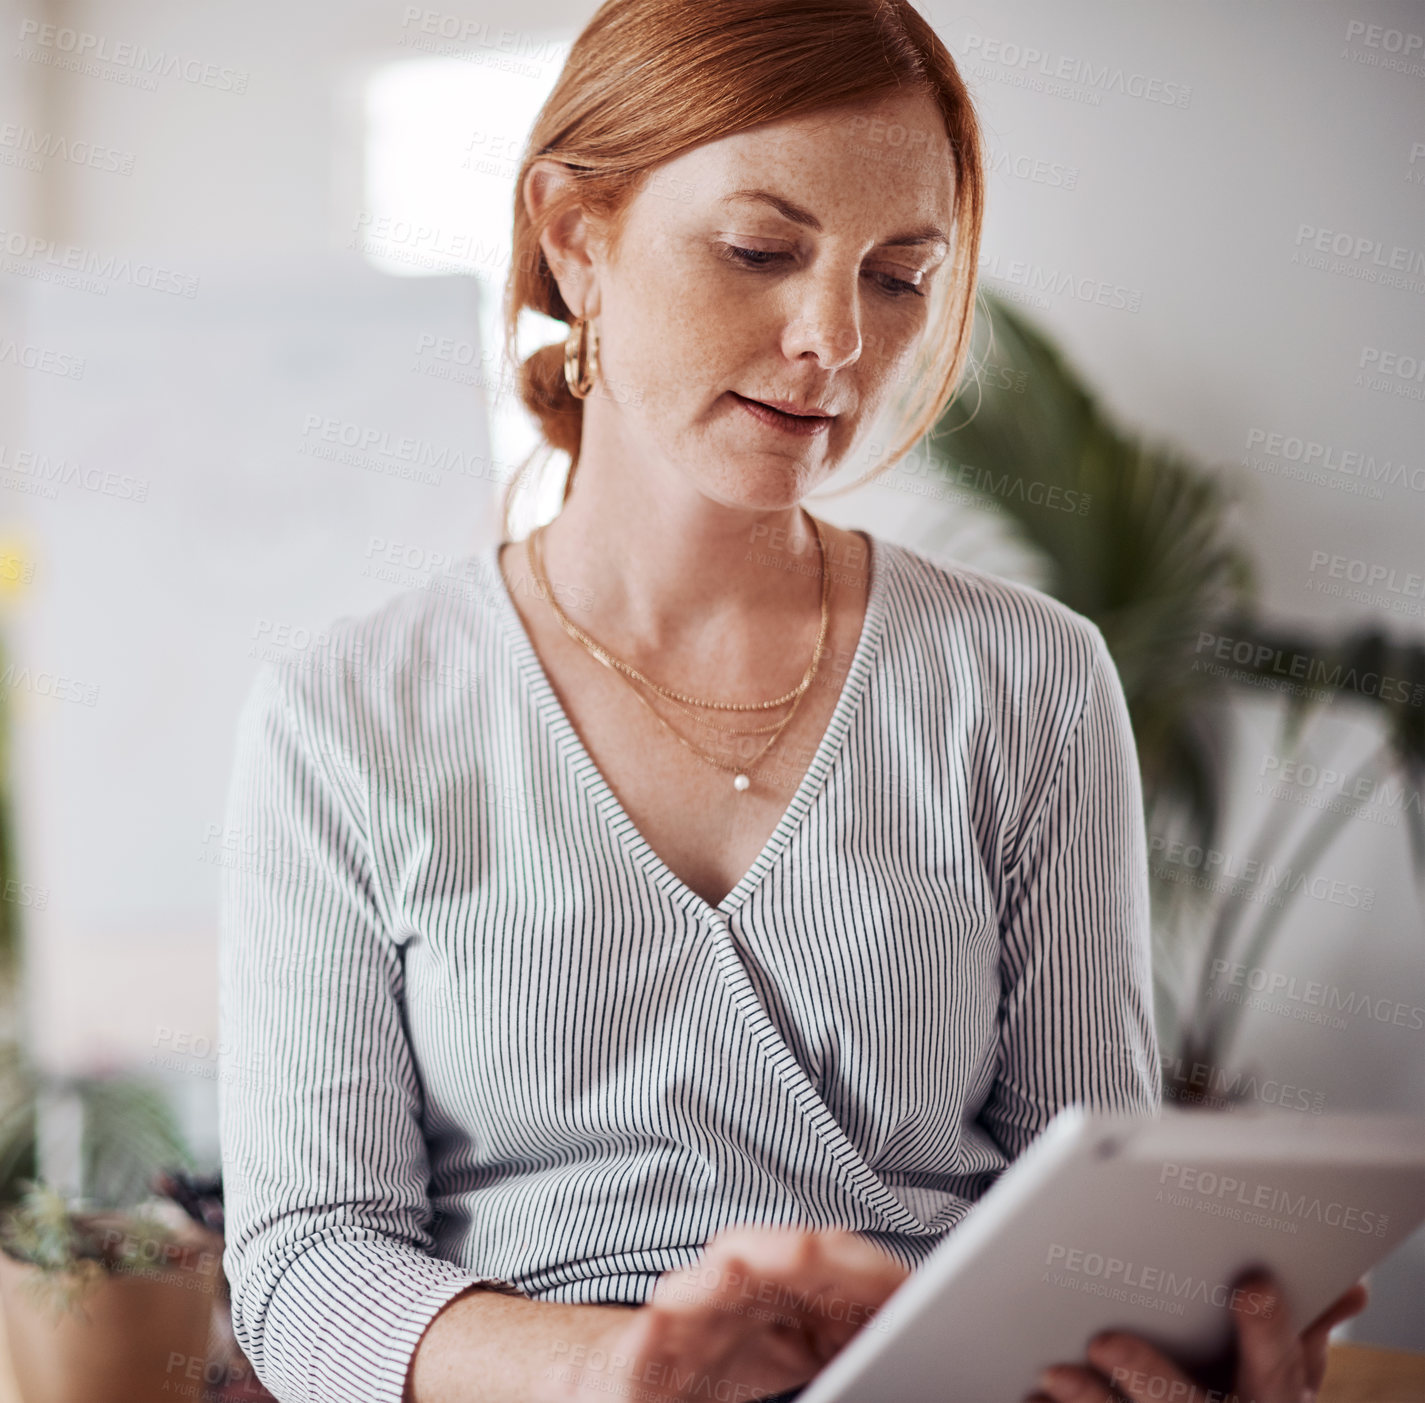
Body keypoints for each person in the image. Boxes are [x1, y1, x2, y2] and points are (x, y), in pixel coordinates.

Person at [217, 3, 1367, 1402]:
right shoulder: (345, 716)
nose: (833, 338)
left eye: (897, 277)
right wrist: (622, 1373)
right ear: (579, 238)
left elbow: (1087, 1202)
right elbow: (308, 1263)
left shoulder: (1025, 682)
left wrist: (1169, 1343)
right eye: (760, 250)